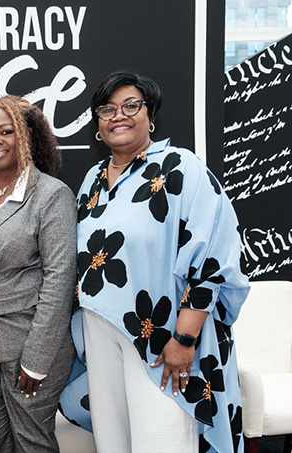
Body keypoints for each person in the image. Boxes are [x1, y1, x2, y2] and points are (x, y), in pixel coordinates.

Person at [71, 70, 250, 452]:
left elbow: (213, 254)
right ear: (98, 125)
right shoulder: (91, 180)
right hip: (100, 331)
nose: (118, 115)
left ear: (150, 116)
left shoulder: (181, 167)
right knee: (113, 442)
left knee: (160, 440)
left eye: (130, 106)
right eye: (107, 109)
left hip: (162, 336)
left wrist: (184, 338)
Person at [0, 95, 77, 452]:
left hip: (28, 345)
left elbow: (60, 279)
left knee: (31, 442)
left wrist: (37, 361)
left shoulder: (51, 195)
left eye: (6, 132)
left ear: (26, 136)